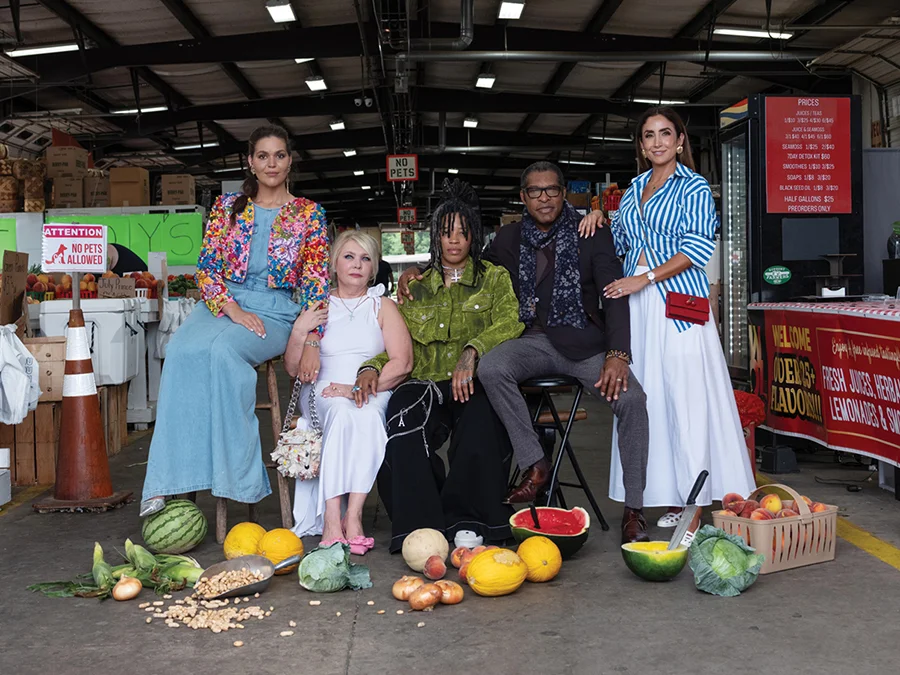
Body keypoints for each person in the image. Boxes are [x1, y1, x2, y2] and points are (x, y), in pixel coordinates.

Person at [140, 125, 329, 517]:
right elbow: (206, 270)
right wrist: (233, 309)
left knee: (225, 354)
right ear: (250, 162)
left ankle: (238, 479)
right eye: (263, 156)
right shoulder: (227, 208)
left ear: (289, 160)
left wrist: (311, 338)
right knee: (180, 351)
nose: (271, 163)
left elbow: (315, 283)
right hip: (223, 303)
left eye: (279, 155)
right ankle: (166, 481)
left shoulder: (309, 214)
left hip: (276, 312)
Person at [587, 107, 755, 526]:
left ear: (680, 140)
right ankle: (665, 495)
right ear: (641, 146)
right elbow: (621, 243)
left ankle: (696, 507)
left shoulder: (692, 186)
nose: (658, 141)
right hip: (639, 311)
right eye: (649, 135)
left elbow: (697, 248)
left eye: (666, 133)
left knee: (687, 399)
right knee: (651, 402)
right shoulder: (634, 189)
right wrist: (595, 217)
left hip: (678, 306)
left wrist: (644, 278)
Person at [357, 179, 524, 553]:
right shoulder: (415, 286)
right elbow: (399, 343)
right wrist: (369, 367)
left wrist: (473, 350)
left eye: (463, 233)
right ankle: (421, 524)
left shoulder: (494, 279)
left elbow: (510, 322)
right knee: (403, 424)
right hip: (426, 382)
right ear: (435, 237)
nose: (454, 241)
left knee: (481, 427)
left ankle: (468, 519)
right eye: (446, 233)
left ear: (474, 237)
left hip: (473, 381)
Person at [287, 231, 412, 554]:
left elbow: (402, 363)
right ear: (334, 264)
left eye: (365, 259)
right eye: (349, 257)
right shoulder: (319, 305)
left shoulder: (382, 305)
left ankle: (353, 516)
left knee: (368, 416)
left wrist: (357, 387)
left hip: (372, 388)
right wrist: (301, 330)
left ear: (373, 269)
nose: (357, 265)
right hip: (323, 390)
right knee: (342, 413)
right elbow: (291, 368)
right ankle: (332, 516)